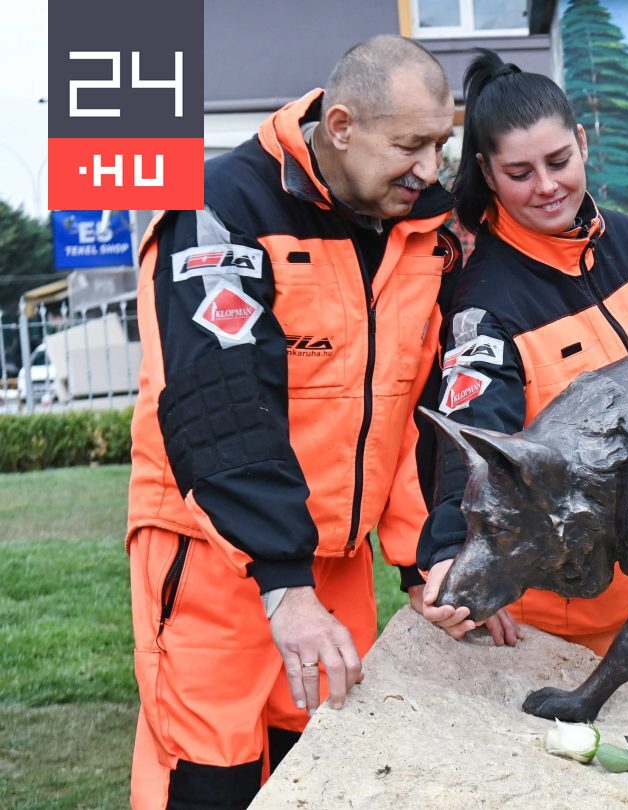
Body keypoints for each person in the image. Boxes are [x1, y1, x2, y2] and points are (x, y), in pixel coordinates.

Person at [126, 36, 461, 807]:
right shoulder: (219, 205)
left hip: (334, 562)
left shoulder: (421, 226)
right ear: (340, 125)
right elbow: (221, 399)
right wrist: (283, 585)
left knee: (328, 773)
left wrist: (425, 562)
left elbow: (414, 409)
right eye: (410, 145)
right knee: (214, 778)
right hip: (212, 557)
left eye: (440, 144)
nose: (430, 171)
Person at [414, 50, 628, 701]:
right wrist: (451, 547)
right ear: (487, 173)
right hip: (571, 618)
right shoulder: (486, 300)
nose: (547, 186)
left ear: (583, 142)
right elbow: (472, 442)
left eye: (559, 161)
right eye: (520, 172)